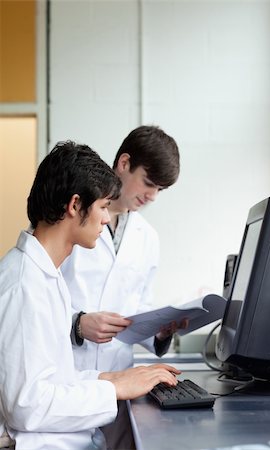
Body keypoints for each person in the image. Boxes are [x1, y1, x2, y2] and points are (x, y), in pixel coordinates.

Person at [0, 141, 180, 450]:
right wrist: (114, 388)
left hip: (71, 423)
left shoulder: (44, 275)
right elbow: (27, 406)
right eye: (101, 207)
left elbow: (56, 380)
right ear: (74, 206)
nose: (106, 218)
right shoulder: (23, 285)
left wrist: (116, 380)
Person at [61, 126, 186, 449]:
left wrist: (160, 330)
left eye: (161, 189)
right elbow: (37, 296)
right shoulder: (71, 216)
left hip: (119, 383)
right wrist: (77, 323)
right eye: (148, 183)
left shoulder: (148, 237)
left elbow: (138, 307)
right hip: (69, 380)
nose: (153, 196)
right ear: (124, 163)